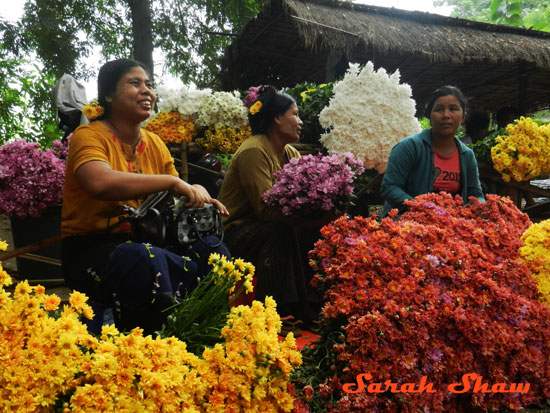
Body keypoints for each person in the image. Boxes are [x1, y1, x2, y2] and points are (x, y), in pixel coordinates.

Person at [61, 59, 229, 335]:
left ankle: (209, 336)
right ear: (109, 95)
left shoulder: (155, 144)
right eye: (134, 83)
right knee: (144, 259)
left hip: (153, 243)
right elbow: (98, 182)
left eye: (149, 85)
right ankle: (154, 348)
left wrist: (200, 199)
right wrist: (173, 182)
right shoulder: (88, 135)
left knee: (212, 250)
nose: (146, 91)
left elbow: (176, 199)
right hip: (92, 249)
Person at [217, 86, 329, 335]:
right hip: (235, 233)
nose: (300, 122)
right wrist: (308, 218)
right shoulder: (254, 150)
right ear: (277, 118)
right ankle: (277, 311)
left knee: (318, 228)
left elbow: (307, 191)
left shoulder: (289, 151)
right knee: (280, 229)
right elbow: (264, 210)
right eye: (295, 114)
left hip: (268, 224)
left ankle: (308, 307)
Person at [380, 85, 485, 217]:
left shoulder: (467, 155)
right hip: (407, 223)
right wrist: (421, 207)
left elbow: (475, 194)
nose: (446, 115)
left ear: (463, 116)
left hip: (453, 226)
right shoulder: (408, 147)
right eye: (439, 110)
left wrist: (481, 208)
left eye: (453, 109)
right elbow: (389, 188)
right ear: (429, 116)